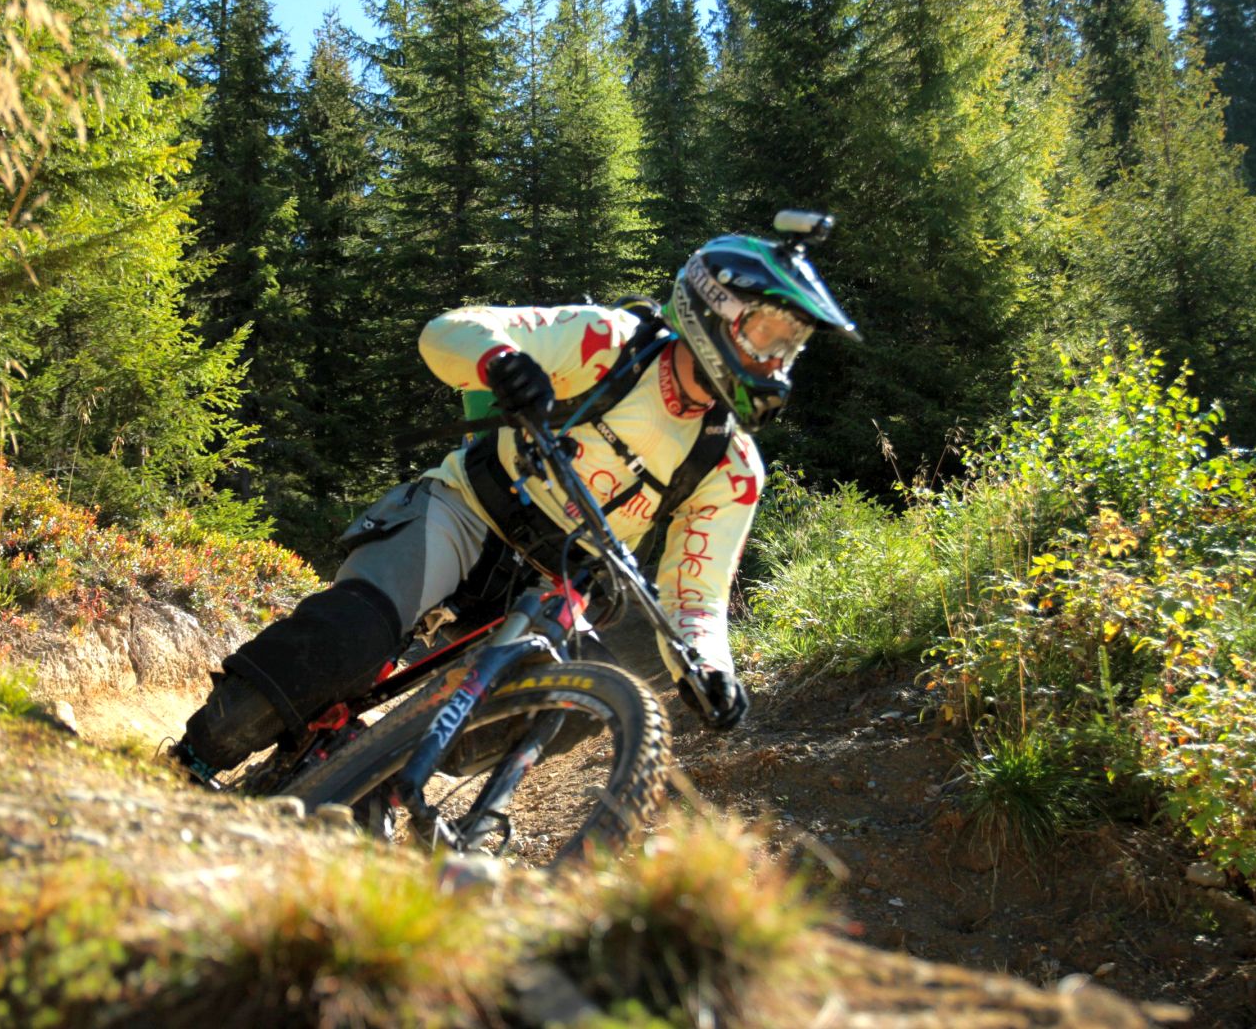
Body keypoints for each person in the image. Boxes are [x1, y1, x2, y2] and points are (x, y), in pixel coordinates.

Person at [170, 215, 859, 783]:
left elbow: (695, 599)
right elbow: (448, 331)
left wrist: (709, 671)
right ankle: (190, 760)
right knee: (351, 634)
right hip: (468, 509)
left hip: (558, 580)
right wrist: (503, 362)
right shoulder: (607, 342)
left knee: (575, 703)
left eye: (791, 347)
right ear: (718, 306)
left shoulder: (733, 465)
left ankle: (377, 780)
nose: (778, 361)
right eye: (772, 333)